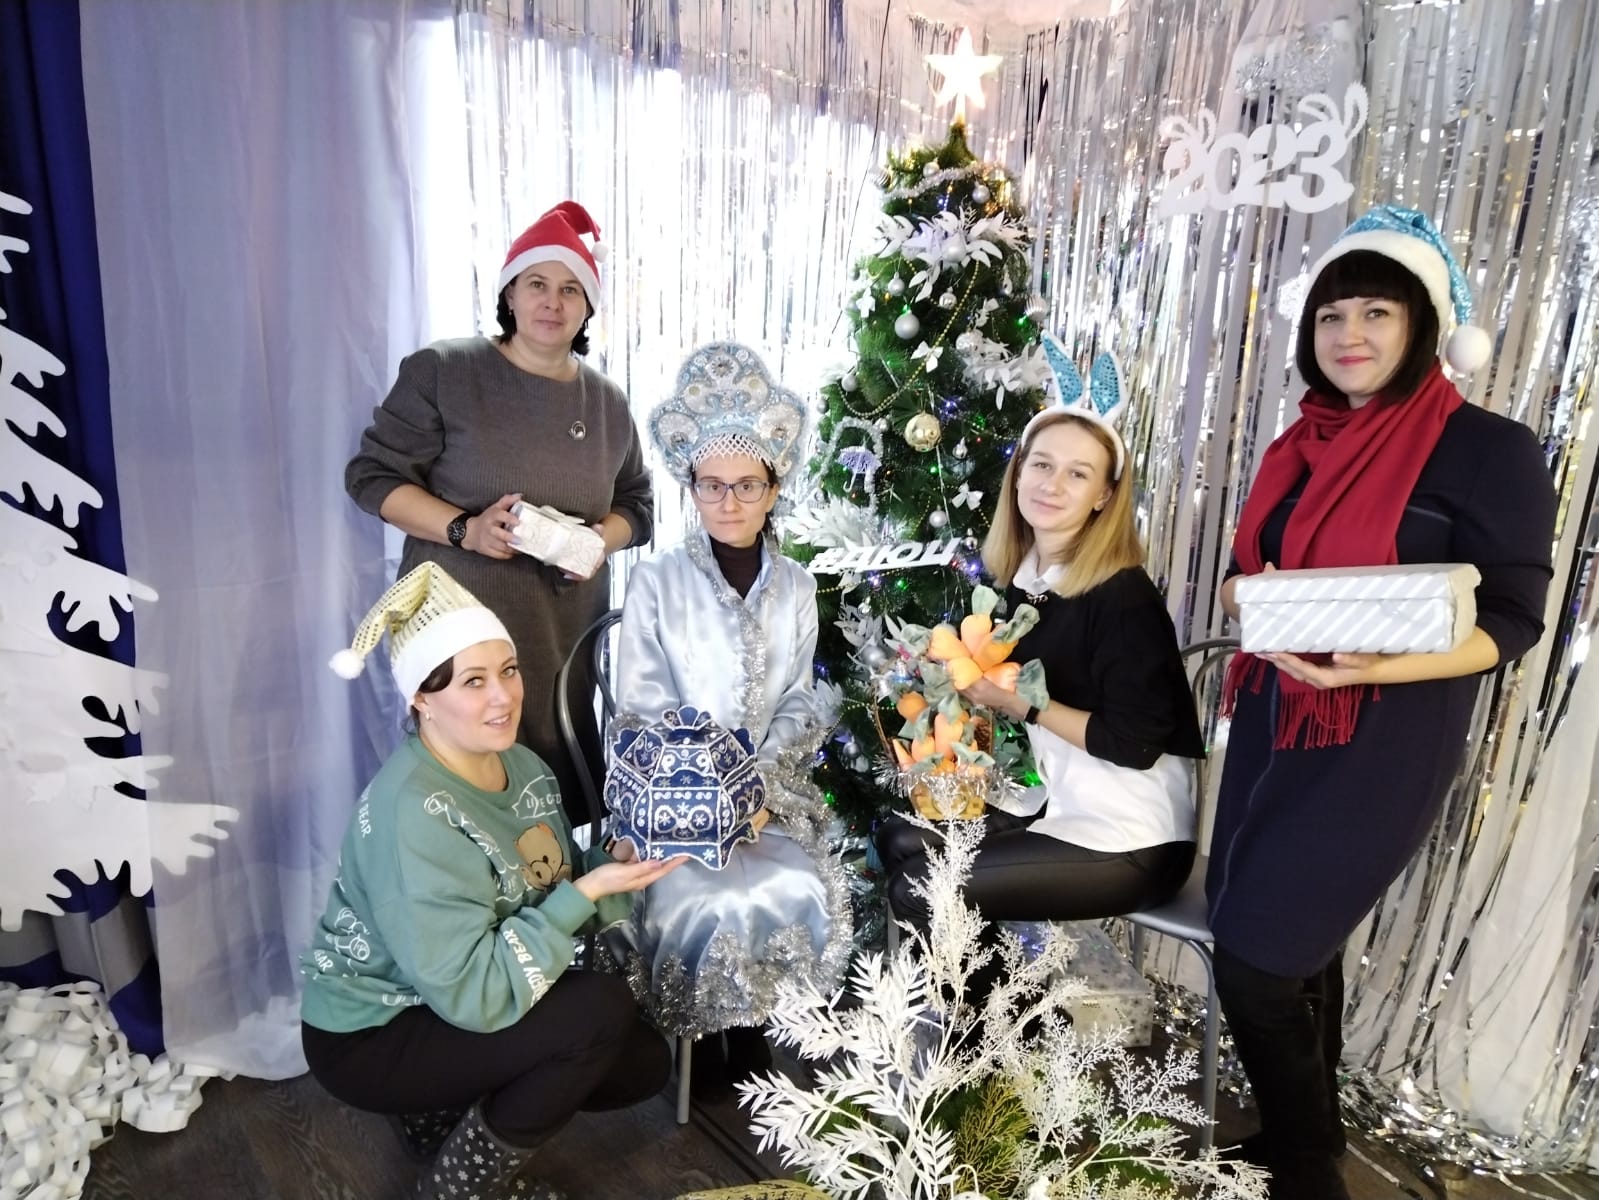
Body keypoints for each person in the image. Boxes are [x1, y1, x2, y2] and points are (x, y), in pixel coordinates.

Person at [1206, 206, 1558, 1200]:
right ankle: (1302, 1140)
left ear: (1425, 327)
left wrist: (1373, 669)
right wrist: (1247, 596)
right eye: (1331, 315)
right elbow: (1262, 575)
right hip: (1278, 715)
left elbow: (1513, 620)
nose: (1348, 334)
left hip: (1385, 735)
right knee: (1292, 945)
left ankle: (1307, 1171)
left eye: (1376, 312)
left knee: (1257, 959)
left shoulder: (1486, 447)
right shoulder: (1299, 443)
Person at [302, 562, 683, 1200]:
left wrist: (607, 865)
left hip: (444, 994)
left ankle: (438, 1112)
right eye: (472, 681)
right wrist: (587, 895)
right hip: (374, 1032)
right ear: (421, 698)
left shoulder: (521, 765)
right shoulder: (413, 815)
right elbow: (474, 992)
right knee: (597, 1014)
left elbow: (545, 882)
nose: (503, 697)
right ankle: (460, 1188)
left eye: (508, 670)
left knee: (640, 1064)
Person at [878, 347, 1202, 979]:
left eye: (1078, 474)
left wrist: (1022, 705)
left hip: (1130, 835)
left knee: (920, 888)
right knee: (897, 839)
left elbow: (1135, 745)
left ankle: (1000, 1029)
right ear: (1018, 473)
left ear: (1105, 496)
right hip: (1058, 803)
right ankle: (1000, 1021)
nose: (1052, 485)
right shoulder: (1029, 580)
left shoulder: (1122, 596)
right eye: (1042, 464)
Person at [345, 201, 652, 823]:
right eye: (537, 284)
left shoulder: (607, 403)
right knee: (464, 803)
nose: (552, 302)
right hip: (459, 630)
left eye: (571, 289)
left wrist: (600, 540)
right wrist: (466, 529)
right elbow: (372, 478)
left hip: (558, 637)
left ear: (588, 307)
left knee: (553, 808)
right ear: (510, 293)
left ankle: (561, 889)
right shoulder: (445, 372)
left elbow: (637, 505)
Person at [605, 342, 852, 1093]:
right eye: (711, 485)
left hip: (771, 795)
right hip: (673, 802)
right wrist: (708, 797)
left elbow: (800, 698)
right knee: (707, 896)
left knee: (804, 884)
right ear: (691, 488)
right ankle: (709, 1048)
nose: (730, 502)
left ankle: (765, 1035)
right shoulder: (656, 582)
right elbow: (641, 705)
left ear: (774, 487)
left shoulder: (798, 586)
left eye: (747, 485)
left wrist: (758, 786)